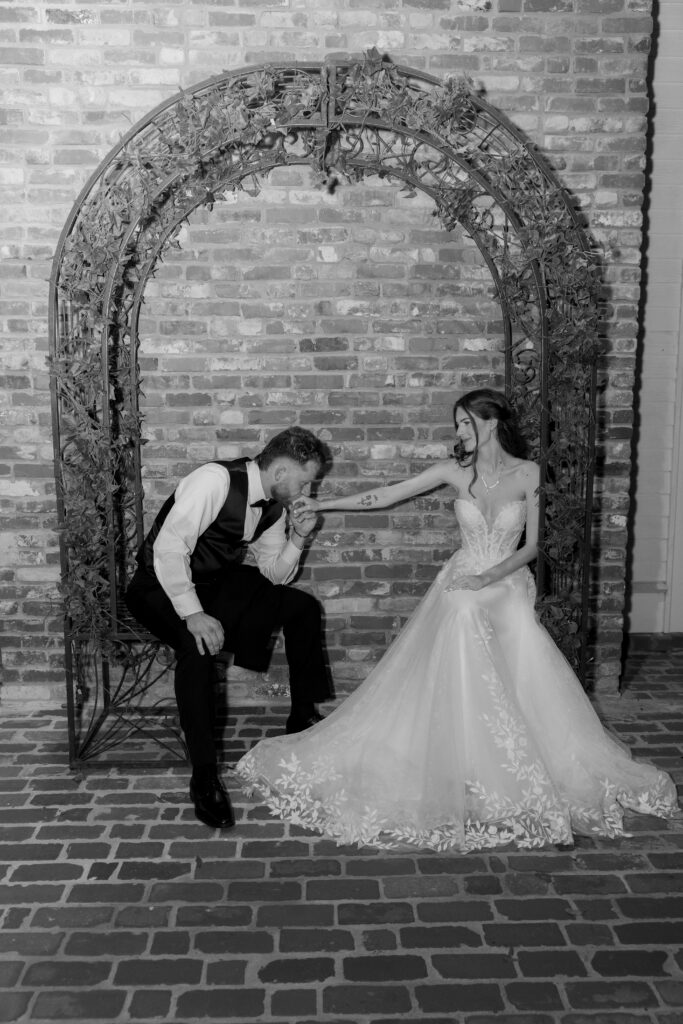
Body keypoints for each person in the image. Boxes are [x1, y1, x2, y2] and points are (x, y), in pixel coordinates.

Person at [235, 389, 679, 851]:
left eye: (465, 423)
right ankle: (462, 756)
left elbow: (531, 546)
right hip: (464, 573)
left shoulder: (529, 473)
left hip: (504, 579)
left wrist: (487, 576)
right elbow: (387, 495)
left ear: (490, 424)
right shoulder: (454, 471)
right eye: (457, 426)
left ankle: (501, 758)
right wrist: (323, 505)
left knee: (480, 609)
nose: (459, 433)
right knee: (462, 608)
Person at [125, 426, 333, 830]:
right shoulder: (214, 482)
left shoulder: (273, 504)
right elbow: (169, 549)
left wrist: (299, 536)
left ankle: (302, 718)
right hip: (157, 584)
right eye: (306, 480)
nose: (309, 489)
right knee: (197, 646)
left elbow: (275, 575)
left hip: (212, 583)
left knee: (301, 607)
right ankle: (204, 777)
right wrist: (193, 613)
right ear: (281, 470)